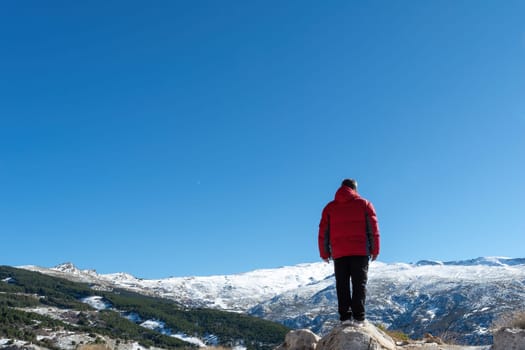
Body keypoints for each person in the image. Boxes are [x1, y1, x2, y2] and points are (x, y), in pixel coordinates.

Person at [318, 178, 380, 326]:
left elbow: (323, 232)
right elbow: (373, 229)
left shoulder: (329, 207)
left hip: (339, 253)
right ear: (355, 189)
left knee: (342, 285)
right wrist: (375, 249)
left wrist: (324, 253)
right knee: (359, 284)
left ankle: (345, 318)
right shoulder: (365, 204)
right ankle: (359, 318)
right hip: (360, 251)